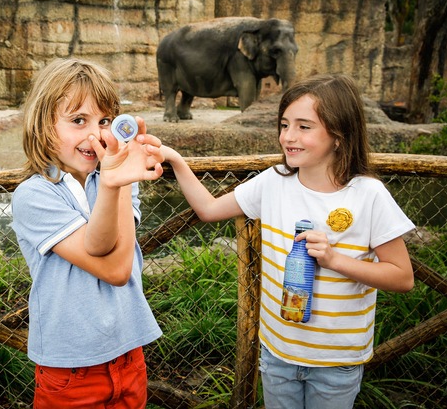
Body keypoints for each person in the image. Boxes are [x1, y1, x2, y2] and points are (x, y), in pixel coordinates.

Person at [160, 73, 415, 408]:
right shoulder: (273, 182)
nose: (288, 137)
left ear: (338, 134)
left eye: (304, 126)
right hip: (278, 352)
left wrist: (336, 260)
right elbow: (208, 209)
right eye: (284, 124)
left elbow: (402, 276)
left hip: (336, 362)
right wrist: (175, 160)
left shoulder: (369, 195)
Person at [11, 57, 165, 408]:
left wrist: (117, 178)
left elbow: (110, 247)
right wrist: (117, 182)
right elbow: (113, 268)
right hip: (70, 370)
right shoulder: (34, 195)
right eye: (78, 120)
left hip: (129, 352)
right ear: (43, 124)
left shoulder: (114, 179)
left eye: (105, 121)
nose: (95, 134)